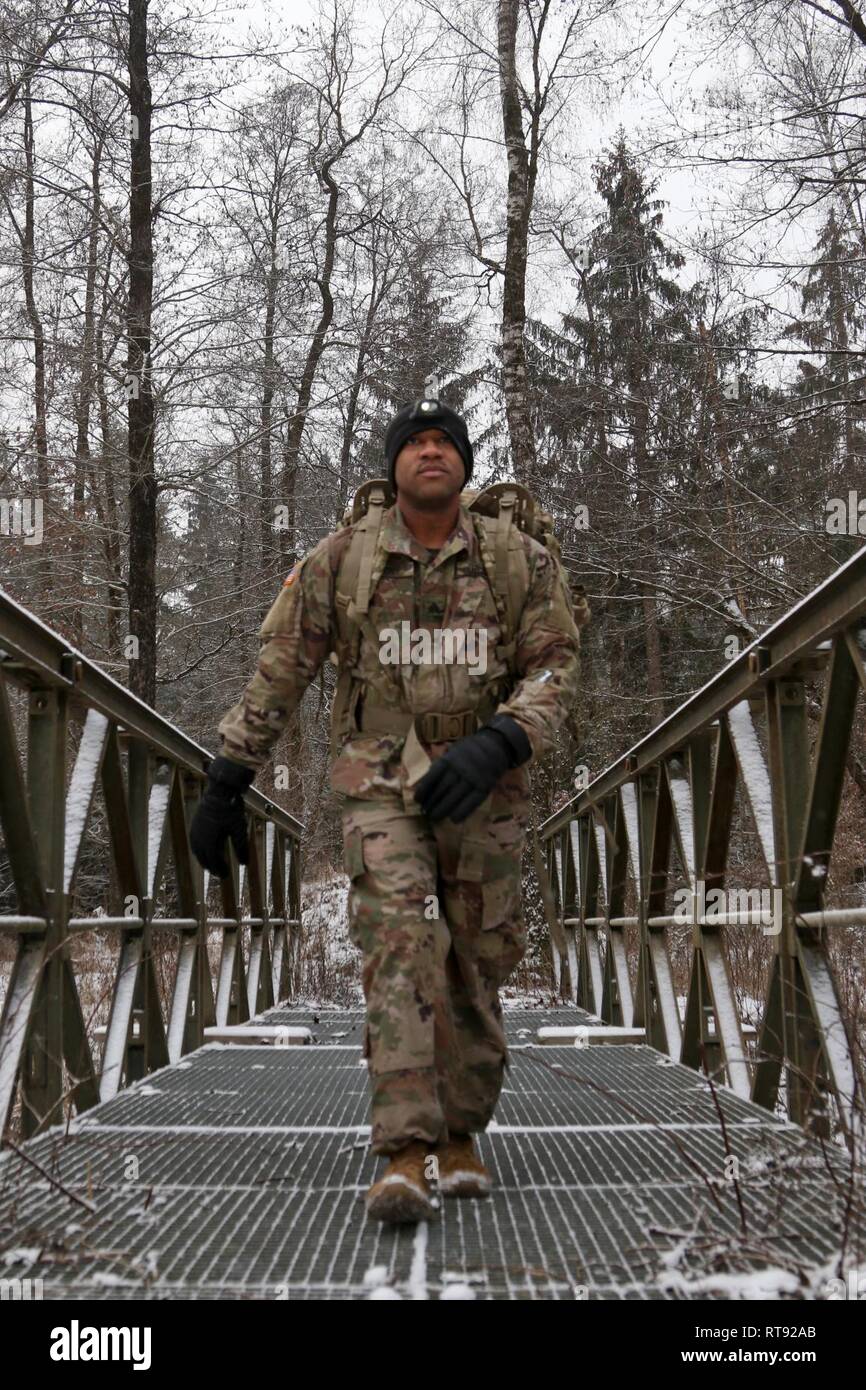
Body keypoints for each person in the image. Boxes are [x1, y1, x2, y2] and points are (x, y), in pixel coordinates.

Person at [190, 398, 583, 1223]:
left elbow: (555, 665)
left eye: (446, 443)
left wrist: (506, 738)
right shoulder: (344, 559)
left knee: (474, 959)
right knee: (401, 941)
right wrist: (229, 776)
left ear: (466, 466)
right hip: (381, 780)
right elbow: (282, 668)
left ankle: (462, 1135)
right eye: (417, 443)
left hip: (486, 784)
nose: (431, 453)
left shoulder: (519, 561)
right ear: (394, 465)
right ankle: (405, 1151)